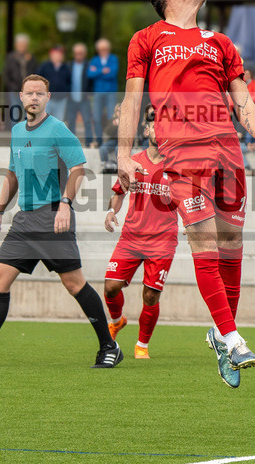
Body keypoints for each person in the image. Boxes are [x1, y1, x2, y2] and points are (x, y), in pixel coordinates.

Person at [120, 0, 255, 388]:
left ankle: (220, 330)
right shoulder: (146, 38)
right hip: (182, 153)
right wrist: (124, 153)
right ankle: (231, 336)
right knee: (205, 240)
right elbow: (132, 98)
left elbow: (243, 99)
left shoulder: (221, 42)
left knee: (232, 242)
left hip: (228, 148)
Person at [0, 74, 121, 368]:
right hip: (24, 221)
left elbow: (78, 169)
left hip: (53, 217)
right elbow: (12, 174)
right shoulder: (16, 131)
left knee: (74, 284)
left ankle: (109, 346)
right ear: (21, 97)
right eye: (29, 93)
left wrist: (65, 204)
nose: (34, 98)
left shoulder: (58, 130)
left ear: (48, 98)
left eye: (40, 93)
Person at [102, 106, 178, 360]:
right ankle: (117, 320)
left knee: (151, 294)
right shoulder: (132, 161)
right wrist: (112, 212)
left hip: (163, 240)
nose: (160, 127)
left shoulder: (177, 167)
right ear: (147, 130)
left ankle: (142, 345)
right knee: (110, 287)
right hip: (131, 237)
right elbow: (118, 193)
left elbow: (192, 197)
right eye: (155, 123)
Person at [89, 38, 120, 148]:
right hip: (98, 93)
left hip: (110, 92)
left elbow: (112, 73)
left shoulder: (113, 59)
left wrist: (97, 71)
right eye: (101, 49)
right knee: (96, 117)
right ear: (98, 50)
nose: (103, 51)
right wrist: (103, 70)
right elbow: (90, 74)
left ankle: (112, 139)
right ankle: (99, 140)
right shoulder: (95, 59)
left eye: (105, 49)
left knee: (111, 116)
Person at [4, 34, 38, 128]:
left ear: (27, 45)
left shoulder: (31, 58)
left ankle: (28, 137)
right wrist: (11, 87)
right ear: (16, 45)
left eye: (23, 44)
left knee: (29, 114)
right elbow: (6, 75)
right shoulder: (11, 58)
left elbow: (35, 74)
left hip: (29, 91)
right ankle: (15, 137)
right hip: (15, 90)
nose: (21, 46)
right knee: (15, 114)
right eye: (20, 44)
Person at [64, 42, 95, 144]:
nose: (79, 55)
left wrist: (90, 93)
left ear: (84, 54)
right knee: (71, 121)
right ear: (74, 54)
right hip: (71, 98)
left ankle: (89, 142)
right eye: (77, 53)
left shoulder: (89, 66)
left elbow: (92, 81)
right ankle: (71, 143)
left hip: (84, 98)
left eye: (81, 53)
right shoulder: (68, 66)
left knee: (87, 121)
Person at [37, 46, 71, 120]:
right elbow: (38, 80)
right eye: (56, 54)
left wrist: (66, 93)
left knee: (58, 121)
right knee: (43, 120)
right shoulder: (44, 67)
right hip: (46, 99)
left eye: (60, 54)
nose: (58, 56)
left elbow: (69, 82)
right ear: (51, 55)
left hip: (61, 99)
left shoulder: (66, 68)